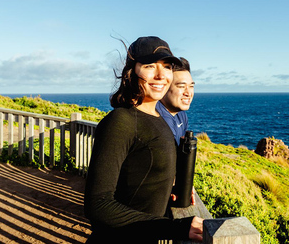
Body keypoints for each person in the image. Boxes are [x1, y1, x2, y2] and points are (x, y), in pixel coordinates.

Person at [84, 36, 204, 243]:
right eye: (149, 66)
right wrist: (177, 228)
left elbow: (141, 173)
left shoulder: (158, 118)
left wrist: (174, 185)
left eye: (167, 67)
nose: (161, 75)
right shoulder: (121, 121)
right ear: (132, 71)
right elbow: (98, 205)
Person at [155, 57, 195, 145]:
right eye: (181, 86)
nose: (188, 93)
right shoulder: (157, 120)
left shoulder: (181, 115)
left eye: (191, 86)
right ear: (163, 87)